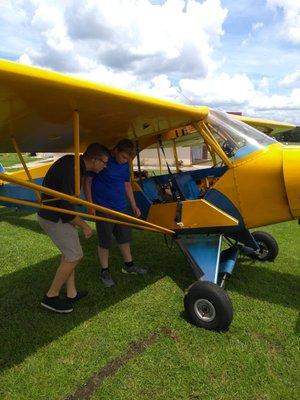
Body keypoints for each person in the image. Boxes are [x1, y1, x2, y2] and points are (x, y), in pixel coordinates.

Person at [38, 143, 110, 313]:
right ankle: (51, 296)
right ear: (94, 159)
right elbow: (65, 208)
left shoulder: (75, 164)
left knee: (69, 254)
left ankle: (72, 293)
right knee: (75, 255)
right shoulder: (73, 169)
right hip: (53, 217)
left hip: (58, 215)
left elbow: (67, 204)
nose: (105, 166)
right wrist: (85, 226)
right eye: (104, 163)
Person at [84, 139, 147, 287]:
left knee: (124, 238)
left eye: (128, 159)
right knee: (105, 241)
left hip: (121, 207)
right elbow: (87, 181)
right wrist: (90, 205)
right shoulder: (104, 161)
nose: (125, 161)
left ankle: (129, 265)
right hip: (104, 207)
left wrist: (133, 205)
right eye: (124, 157)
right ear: (116, 151)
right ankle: (104, 271)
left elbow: (127, 185)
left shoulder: (125, 165)